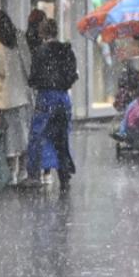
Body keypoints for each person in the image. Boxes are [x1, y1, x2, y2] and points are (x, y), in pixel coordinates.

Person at [27, 19, 78, 189]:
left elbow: (33, 79)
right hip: (63, 97)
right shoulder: (66, 50)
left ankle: (35, 174)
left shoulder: (39, 52)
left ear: (42, 33)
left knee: (38, 135)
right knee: (61, 137)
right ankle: (64, 176)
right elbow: (72, 75)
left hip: (46, 97)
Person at [0, 10, 33, 185]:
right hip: (22, 95)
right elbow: (28, 64)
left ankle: (11, 172)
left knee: (10, 139)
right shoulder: (19, 39)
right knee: (23, 135)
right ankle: (23, 171)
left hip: (6, 97)